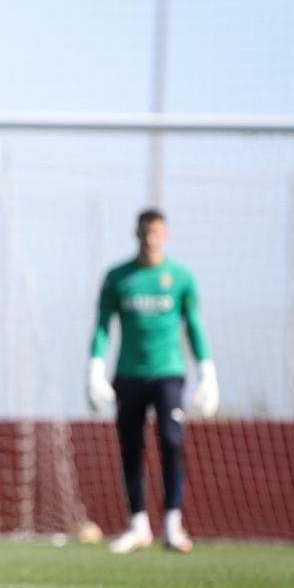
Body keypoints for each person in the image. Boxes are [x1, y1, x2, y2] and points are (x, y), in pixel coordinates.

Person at [88, 208, 217, 554]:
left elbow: (194, 324)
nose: (150, 239)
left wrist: (207, 371)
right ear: (137, 234)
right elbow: (102, 325)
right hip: (128, 374)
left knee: (172, 440)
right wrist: (95, 368)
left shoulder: (180, 277)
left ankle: (172, 524)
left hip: (168, 373)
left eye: (156, 232)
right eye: (145, 233)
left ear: (165, 235)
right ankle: (138, 524)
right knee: (131, 447)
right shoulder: (118, 277)